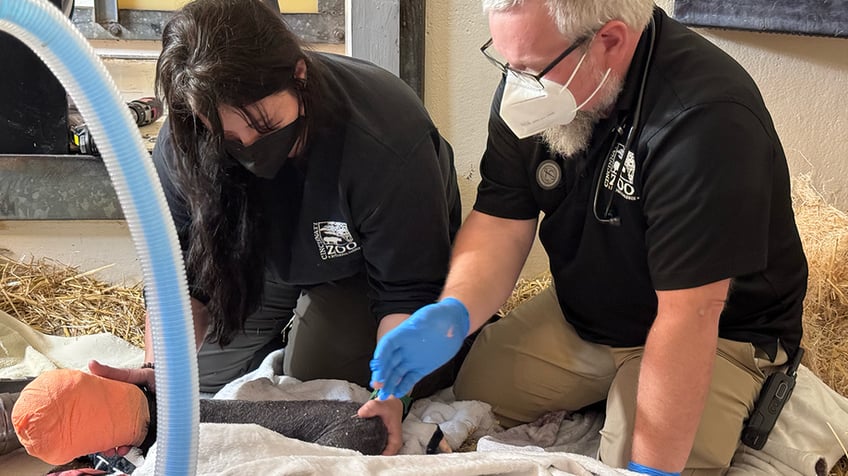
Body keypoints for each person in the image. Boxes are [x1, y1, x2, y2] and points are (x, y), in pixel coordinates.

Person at [368, 0, 808, 474]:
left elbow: (690, 315)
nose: (515, 88)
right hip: (592, 309)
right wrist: (454, 310)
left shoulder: (705, 120)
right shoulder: (538, 79)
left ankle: (738, 383)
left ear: (611, 40)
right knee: (477, 386)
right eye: (507, 63)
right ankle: (614, 386)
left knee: (633, 462)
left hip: (716, 327)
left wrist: (652, 466)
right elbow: (501, 219)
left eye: (531, 70)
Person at [91, 0, 462, 456]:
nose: (251, 148)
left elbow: (405, 290)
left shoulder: (386, 139)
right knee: (193, 378)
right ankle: (278, 322)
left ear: (299, 77)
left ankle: (451, 347)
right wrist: (158, 367)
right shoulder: (187, 137)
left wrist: (393, 394)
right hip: (261, 256)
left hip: (359, 268)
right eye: (229, 138)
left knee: (321, 385)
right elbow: (178, 277)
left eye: (266, 124)